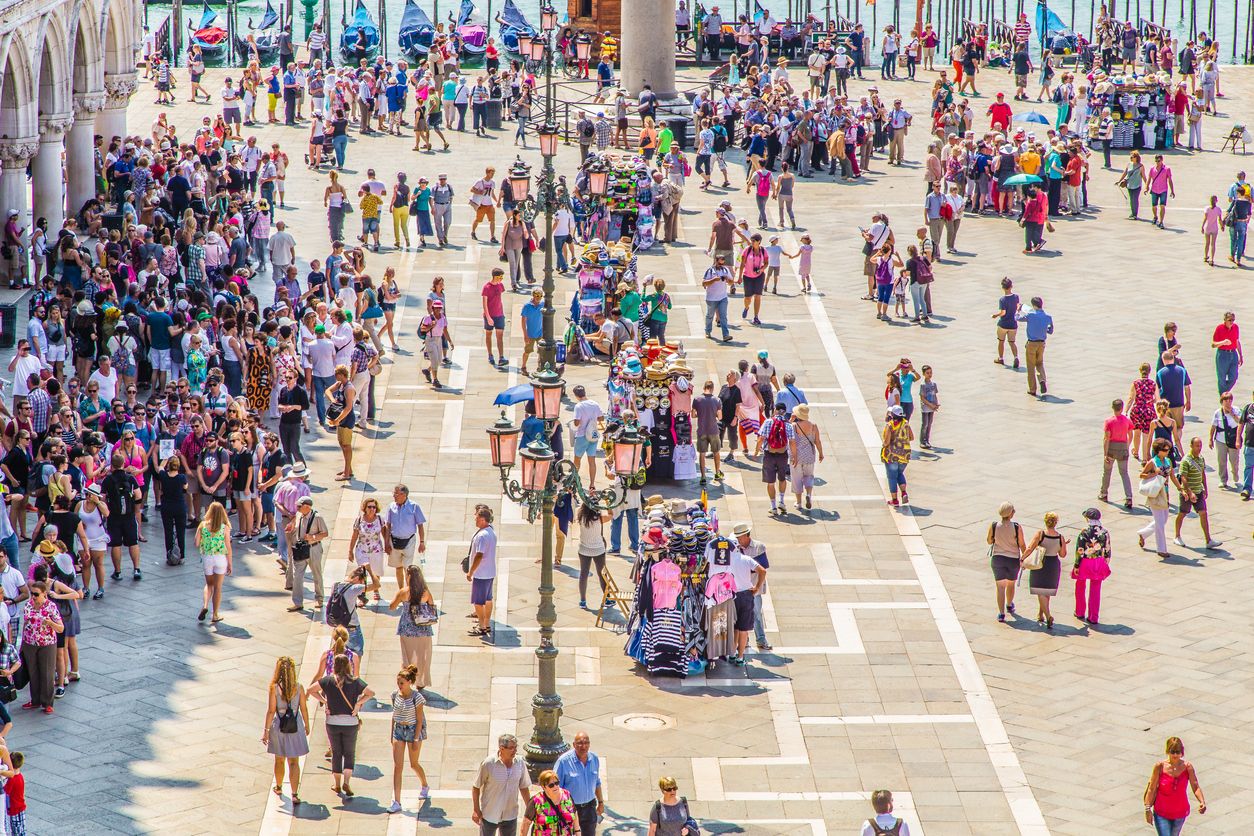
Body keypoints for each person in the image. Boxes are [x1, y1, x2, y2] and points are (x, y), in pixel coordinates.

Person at [307, 653, 374, 797]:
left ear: (334, 666)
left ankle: (336, 784)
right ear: (349, 665)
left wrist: (325, 701)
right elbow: (370, 693)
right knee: (349, 753)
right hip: (351, 722)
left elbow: (310, 690)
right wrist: (358, 704)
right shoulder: (355, 681)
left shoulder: (328, 681)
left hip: (332, 722)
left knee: (336, 753)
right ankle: (347, 782)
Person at [262, 656, 310, 806]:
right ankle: (295, 794)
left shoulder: (274, 688)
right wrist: (307, 724)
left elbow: (271, 711)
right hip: (296, 727)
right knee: (294, 762)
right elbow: (303, 708)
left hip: (279, 727)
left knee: (279, 759)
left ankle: (279, 786)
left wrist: (266, 730)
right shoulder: (299, 687)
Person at [387, 663, 429, 813]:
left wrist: (416, 738)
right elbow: (394, 714)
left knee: (413, 763)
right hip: (399, 729)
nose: (399, 685)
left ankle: (424, 784)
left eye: (402, 683)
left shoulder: (417, 698)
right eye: (398, 682)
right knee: (398, 766)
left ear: (409, 682)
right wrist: (391, 733)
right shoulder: (394, 695)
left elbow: (419, 719)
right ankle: (397, 801)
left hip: (412, 731)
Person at [1143, 737, 1207, 834]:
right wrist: (1148, 809)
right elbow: (1151, 788)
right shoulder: (1159, 767)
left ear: (1182, 752)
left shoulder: (1187, 767)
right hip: (1161, 812)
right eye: (1172, 752)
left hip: (1180, 812)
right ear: (1168, 751)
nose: (1175, 755)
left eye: (1178, 752)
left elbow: (1195, 786)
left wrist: (1201, 801)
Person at [472, 733, 531, 834]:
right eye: (511, 748)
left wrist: (530, 810)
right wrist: (476, 810)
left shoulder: (520, 763)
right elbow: (476, 787)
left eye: (516, 747)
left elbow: (524, 787)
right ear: (502, 748)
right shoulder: (488, 763)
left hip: (510, 815)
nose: (515, 750)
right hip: (490, 814)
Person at [20, 580, 62, 713]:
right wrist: (22, 645)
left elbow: (61, 628)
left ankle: (47, 702)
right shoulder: (28, 605)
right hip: (30, 643)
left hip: (47, 643)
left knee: (47, 673)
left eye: (36, 594)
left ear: (44, 594)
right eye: (32, 593)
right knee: (33, 672)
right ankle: (35, 700)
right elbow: (25, 624)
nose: (33, 596)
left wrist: (50, 623)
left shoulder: (51, 607)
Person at [390, 565, 436, 687]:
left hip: (406, 629)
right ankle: (420, 682)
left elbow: (392, 606)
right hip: (423, 630)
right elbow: (432, 606)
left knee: (407, 657)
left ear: (409, 576)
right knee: (422, 658)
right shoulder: (425, 592)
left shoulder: (403, 592)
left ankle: (406, 680)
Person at [1174, 436, 1221, 550]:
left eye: (1200, 445)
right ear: (1191, 446)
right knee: (1182, 513)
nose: (1199, 448)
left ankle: (1208, 540)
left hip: (1198, 491)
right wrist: (1189, 493)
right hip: (1188, 493)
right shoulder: (1186, 460)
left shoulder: (1201, 458)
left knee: (1203, 513)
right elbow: (1183, 478)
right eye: (1197, 446)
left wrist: (1205, 487)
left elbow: (1203, 474)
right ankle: (1177, 536)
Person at [1022, 512, 1067, 630]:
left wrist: (1022, 558)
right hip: (1053, 565)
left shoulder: (1040, 534)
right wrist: (1062, 545)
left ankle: (1048, 616)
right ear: (1056, 522)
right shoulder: (1060, 537)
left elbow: (1030, 548)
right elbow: (1062, 554)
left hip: (1041, 563)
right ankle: (1040, 614)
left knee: (1040, 591)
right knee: (1046, 591)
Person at [555, 731, 603, 836]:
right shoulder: (563, 761)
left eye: (586, 743)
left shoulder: (594, 759)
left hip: (590, 807)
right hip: (570, 808)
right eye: (580, 743)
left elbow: (597, 782)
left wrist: (601, 802)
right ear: (574, 745)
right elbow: (556, 788)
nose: (583, 746)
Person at [287, 495, 328, 612]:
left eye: (299, 506)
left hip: (313, 548)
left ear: (307, 506)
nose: (297, 508)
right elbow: (296, 526)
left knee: (316, 574)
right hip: (300, 549)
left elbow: (325, 533)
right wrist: (291, 528)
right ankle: (297, 602)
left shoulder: (317, 517)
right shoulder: (299, 515)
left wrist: (313, 537)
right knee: (297, 577)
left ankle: (319, 598)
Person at [1137, 439, 1177, 559]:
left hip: (1165, 493)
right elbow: (1142, 475)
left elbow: (1173, 476)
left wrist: (1181, 489)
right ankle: (1161, 549)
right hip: (1156, 493)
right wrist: (1154, 474)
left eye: (1168, 450)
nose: (1167, 452)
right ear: (1158, 450)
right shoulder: (1152, 462)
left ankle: (1143, 534)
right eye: (1165, 450)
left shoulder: (1168, 460)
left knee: (1163, 520)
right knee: (1160, 523)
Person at [1072, 507, 1111, 625]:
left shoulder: (1084, 532)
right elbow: (1108, 549)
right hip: (1098, 562)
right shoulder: (1104, 532)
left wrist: (1076, 565)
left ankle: (1080, 611)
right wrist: (1106, 562)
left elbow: (1079, 550)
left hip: (1085, 562)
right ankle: (1093, 616)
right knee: (1096, 588)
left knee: (1080, 585)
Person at [987, 502, 1025, 623]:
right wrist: (1025, 557)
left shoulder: (994, 525)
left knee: (1000, 587)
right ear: (1010, 513)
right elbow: (1022, 544)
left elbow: (989, 541)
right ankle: (1009, 604)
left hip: (998, 558)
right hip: (1012, 559)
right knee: (1010, 584)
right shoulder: (1016, 527)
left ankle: (1001, 613)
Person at [196, 500, 233, 624]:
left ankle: (205, 605)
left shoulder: (202, 525)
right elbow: (228, 546)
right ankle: (215, 614)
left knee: (209, 585)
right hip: (220, 558)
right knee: (218, 587)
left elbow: (196, 543)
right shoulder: (225, 528)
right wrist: (230, 563)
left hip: (207, 557)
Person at [466, 505, 497, 639]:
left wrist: (470, 571)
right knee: (488, 599)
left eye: (477, 518)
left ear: (483, 520)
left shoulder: (482, 536)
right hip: (490, 572)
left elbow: (479, 555)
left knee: (478, 602)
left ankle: (482, 626)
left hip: (481, 573)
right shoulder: (491, 531)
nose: (475, 520)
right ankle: (487, 623)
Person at [1100, 399, 1136, 509]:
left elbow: (1107, 438)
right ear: (1122, 407)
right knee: (1124, 473)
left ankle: (1104, 493)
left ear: (1112, 407)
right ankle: (1128, 497)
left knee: (1107, 472)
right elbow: (1131, 434)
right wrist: (1127, 445)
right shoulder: (1126, 420)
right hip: (1123, 448)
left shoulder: (1109, 421)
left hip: (1111, 448)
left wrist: (1105, 453)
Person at [522, 769, 578, 836]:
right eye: (551, 785)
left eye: (557, 783)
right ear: (543, 787)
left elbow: (574, 814)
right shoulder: (536, 801)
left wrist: (578, 832)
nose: (555, 786)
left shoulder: (567, 795)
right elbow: (526, 823)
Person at [788, 404, 823, 511]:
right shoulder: (813, 426)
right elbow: (817, 441)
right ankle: (808, 494)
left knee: (796, 479)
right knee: (809, 476)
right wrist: (821, 453)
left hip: (796, 457)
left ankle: (798, 503)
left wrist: (790, 420)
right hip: (809, 456)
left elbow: (790, 439)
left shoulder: (793, 426)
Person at [1018, 296, 1054, 397]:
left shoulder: (1030, 315)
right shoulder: (1048, 317)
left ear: (1034, 306)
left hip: (1031, 343)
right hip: (1042, 344)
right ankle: (1042, 380)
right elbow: (1050, 331)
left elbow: (1017, 318)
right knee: (1039, 363)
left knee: (1030, 366)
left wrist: (1018, 311)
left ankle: (1032, 389)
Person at [880, 405, 912, 507]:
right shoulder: (906, 423)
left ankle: (895, 500)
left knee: (892, 477)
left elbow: (886, 441)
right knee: (899, 474)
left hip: (892, 455)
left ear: (892, 415)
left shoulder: (890, 425)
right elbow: (911, 437)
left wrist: (884, 445)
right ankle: (904, 493)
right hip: (905, 455)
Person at [992, 277, 1021, 368]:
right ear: (1011, 286)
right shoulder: (1016, 297)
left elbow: (1003, 312)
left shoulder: (1002, 300)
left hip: (1003, 324)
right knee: (1012, 342)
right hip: (1013, 324)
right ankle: (1016, 357)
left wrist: (996, 315)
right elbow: (1018, 307)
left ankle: (1001, 358)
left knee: (1001, 341)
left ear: (1003, 288)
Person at [1147, 154, 1175, 229]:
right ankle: (1155, 216)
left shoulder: (1167, 169)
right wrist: (1147, 187)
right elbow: (1149, 178)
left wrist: (1172, 190)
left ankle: (1161, 221)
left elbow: (1170, 180)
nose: (1157, 162)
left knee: (1162, 206)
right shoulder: (1152, 169)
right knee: (1154, 206)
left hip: (1163, 190)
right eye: (1156, 161)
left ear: (1162, 160)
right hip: (1154, 189)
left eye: (1158, 161)